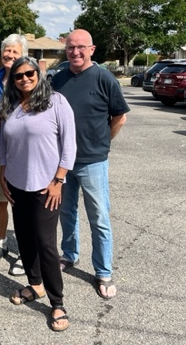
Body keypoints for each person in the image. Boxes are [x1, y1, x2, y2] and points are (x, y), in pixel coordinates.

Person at [0, 57, 76, 332]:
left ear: (38, 73)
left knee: (46, 245)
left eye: (29, 73)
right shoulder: (11, 105)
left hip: (47, 187)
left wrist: (58, 180)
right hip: (17, 184)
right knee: (25, 239)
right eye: (18, 76)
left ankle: (57, 302)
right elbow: (5, 143)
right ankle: (35, 286)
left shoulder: (56, 102)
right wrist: (3, 172)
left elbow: (69, 146)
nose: (24, 79)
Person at [51, 29, 130, 300]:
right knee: (66, 212)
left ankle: (103, 271)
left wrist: (103, 142)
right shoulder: (58, 79)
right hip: (63, 162)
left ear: (92, 49)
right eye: (71, 47)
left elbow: (119, 117)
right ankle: (69, 254)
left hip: (92, 162)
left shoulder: (104, 78)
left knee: (99, 218)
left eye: (81, 47)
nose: (76, 52)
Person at [0, 34, 28, 276]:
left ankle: (25, 250)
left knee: (22, 202)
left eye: (14, 52)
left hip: (23, 154)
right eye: (6, 52)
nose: (9, 56)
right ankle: (1, 242)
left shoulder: (30, 79)